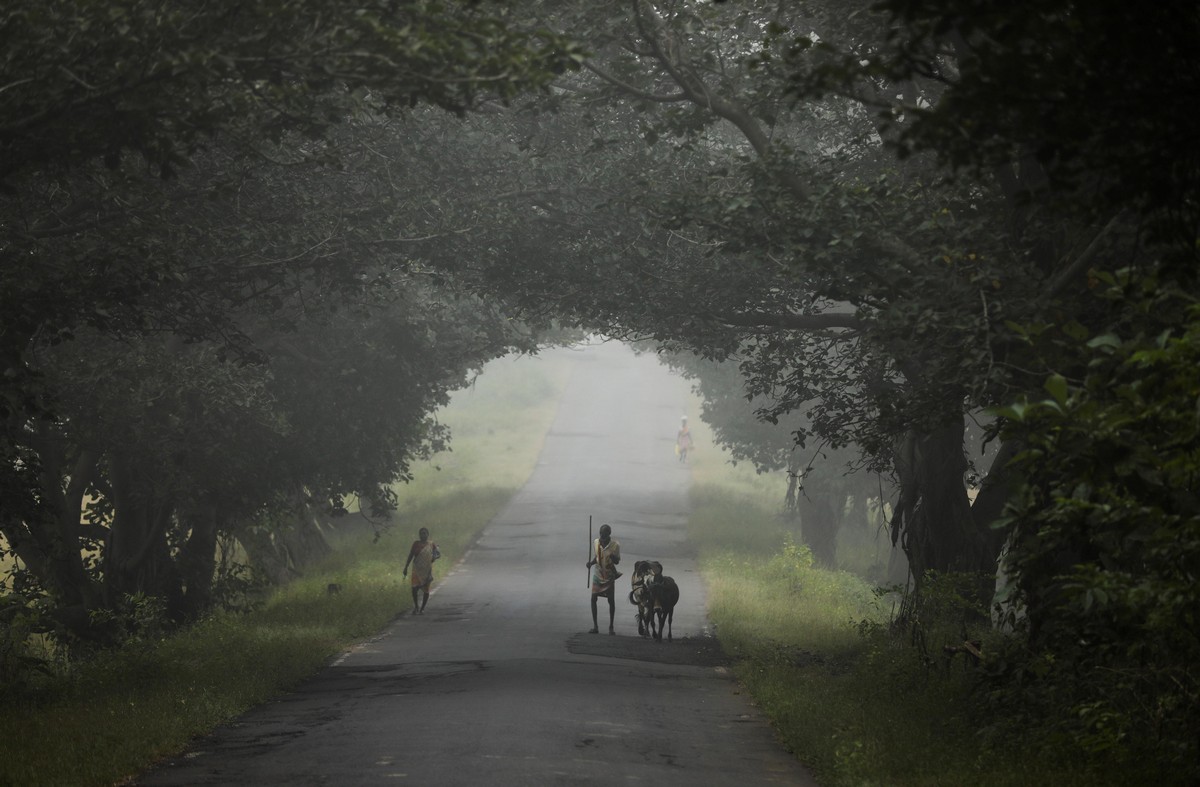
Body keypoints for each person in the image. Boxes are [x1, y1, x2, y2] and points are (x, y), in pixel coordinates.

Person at [586, 523, 621, 634]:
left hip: (609, 576)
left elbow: (617, 561)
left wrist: (612, 555)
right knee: (593, 598)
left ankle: (611, 626)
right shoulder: (596, 542)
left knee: (611, 601)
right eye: (601, 533)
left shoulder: (615, 545)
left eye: (604, 533)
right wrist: (590, 563)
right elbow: (597, 557)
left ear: (609, 534)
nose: (602, 535)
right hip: (598, 575)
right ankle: (595, 626)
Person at [402, 527, 439, 615]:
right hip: (416, 570)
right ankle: (416, 606)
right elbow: (411, 555)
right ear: (419, 535)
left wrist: (434, 557)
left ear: (427, 534)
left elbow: (437, 554)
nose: (423, 535)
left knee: (426, 590)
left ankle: (422, 608)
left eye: (424, 533)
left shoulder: (431, 544)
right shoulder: (416, 544)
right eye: (421, 533)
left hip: (427, 570)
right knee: (414, 588)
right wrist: (406, 567)